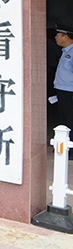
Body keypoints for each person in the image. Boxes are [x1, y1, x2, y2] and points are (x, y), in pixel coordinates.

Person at [52, 23, 73, 160]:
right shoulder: (65, 51)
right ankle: (65, 147)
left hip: (70, 92)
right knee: (65, 121)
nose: (55, 37)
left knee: (71, 121)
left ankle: (71, 150)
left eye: (58, 35)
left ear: (66, 36)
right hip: (62, 91)